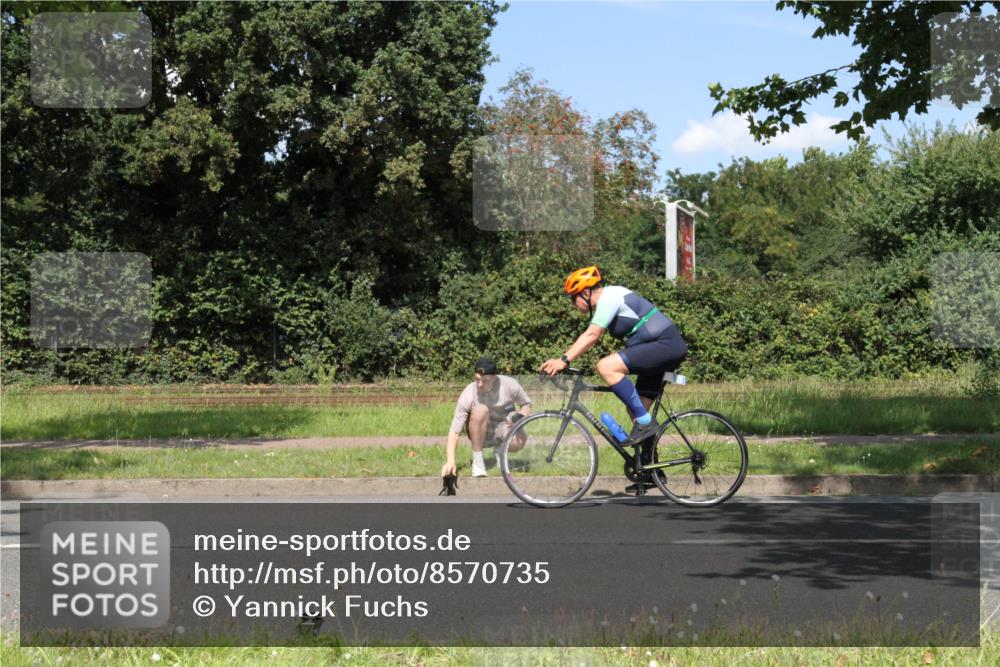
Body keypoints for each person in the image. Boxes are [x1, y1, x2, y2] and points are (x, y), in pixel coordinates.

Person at [540, 266, 687, 444]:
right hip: (659, 347)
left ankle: (646, 423)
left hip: (665, 345)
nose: (573, 304)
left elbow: (591, 335)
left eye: (573, 298)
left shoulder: (609, 297)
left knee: (605, 366)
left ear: (585, 293)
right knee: (636, 411)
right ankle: (648, 467)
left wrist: (563, 360)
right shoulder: (610, 297)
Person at [441, 356, 532, 478]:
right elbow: (454, 431)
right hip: (479, 432)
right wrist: (450, 460)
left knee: (520, 439)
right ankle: (478, 462)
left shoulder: (510, 385)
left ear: (494, 377)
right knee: (480, 409)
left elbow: (527, 404)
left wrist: (520, 417)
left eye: (485, 380)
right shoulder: (469, 392)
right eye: (477, 379)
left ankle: (500, 451)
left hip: (504, 428)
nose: (480, 384)